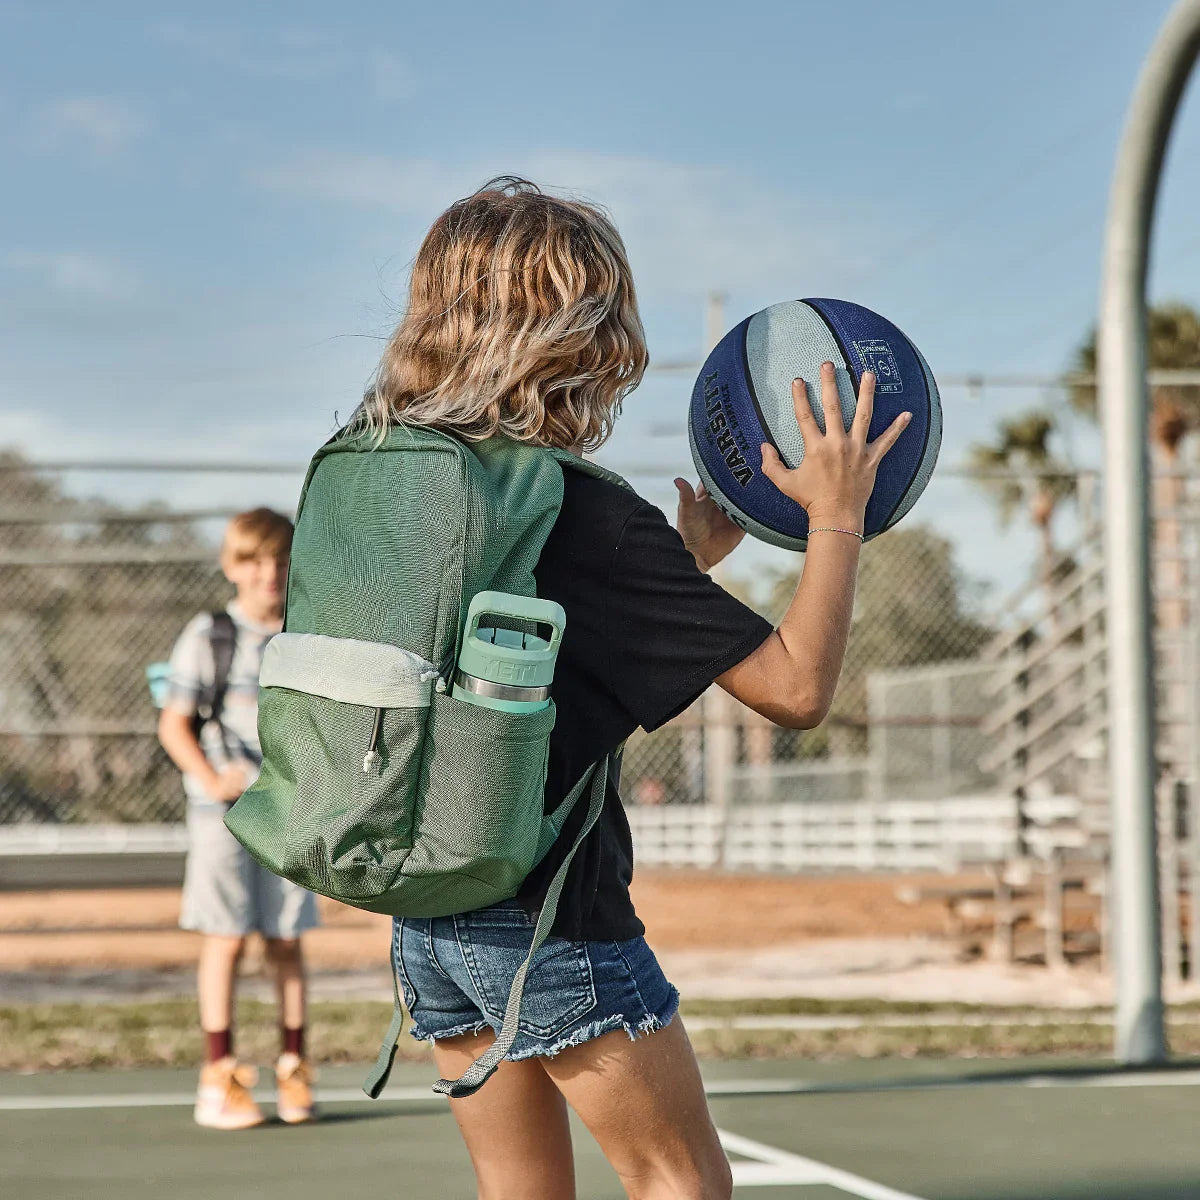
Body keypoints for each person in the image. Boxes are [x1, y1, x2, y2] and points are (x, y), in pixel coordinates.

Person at [353, 178, 909, 1199]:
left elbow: (530, 646)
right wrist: (837, 513)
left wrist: (685, 572)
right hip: (547, 922)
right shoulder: (587, 514)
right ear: (582, 336)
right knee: (681, 1181)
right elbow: (796, 691)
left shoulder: (413, 477)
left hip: (427, 907)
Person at [157, 508, 320, 1131]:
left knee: (285, 939)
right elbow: (174, 724)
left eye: (280, 560)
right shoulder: (209, 634)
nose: (269, 573)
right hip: (221, 815)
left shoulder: (307, 636)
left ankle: (293, 1067)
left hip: (289, 814)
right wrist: (209, 777)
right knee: (224, 938)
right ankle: (219, 1076)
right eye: (254, 561)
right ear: (232, 566)